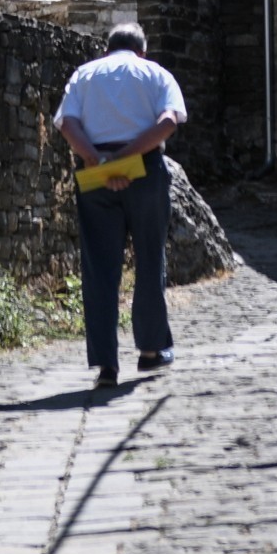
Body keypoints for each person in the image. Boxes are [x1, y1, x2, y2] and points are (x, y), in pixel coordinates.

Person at [54, 21, 187, 387]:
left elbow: (67, 124)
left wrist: (98, 160)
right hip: (144, 170)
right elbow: (168, 122)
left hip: (95, 175)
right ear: (142, 50)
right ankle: (149, 350)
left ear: (106, 48)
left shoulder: (84, 74)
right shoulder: (156, 73)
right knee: (149, 259)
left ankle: (106, 366)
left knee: (99, 269)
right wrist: (129, 156)